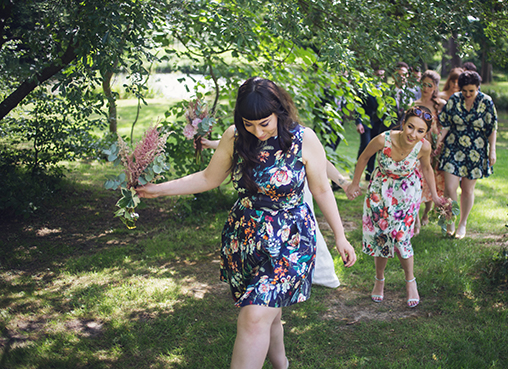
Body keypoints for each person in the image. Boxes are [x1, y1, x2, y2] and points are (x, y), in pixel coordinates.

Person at [138, 77, 357, 369]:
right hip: (245, 239)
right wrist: (158, 189)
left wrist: (340, 236)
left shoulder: (304, 139)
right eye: (249, 124)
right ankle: (282, 364)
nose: (257, 131)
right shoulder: (235, 137)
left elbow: (320, 189)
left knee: (253, 316)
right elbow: (208, 178)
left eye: (264, 123)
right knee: (269, 312)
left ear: (279, 110)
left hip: (290, 242)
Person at [201, 137, 348, 288]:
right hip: (260, 211)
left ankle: (316, 272)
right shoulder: (250, 132)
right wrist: (211, 143)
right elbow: (242, 139)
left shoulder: (300, 137)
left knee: (306, 233)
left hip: (293, 195)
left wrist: (343, 183)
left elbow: (322, 163)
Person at [346, 106, 443, 308]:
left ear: (425, 133)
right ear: (403, 123)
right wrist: (355, 183)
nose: (413, 134)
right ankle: (379, 280)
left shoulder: (423, 147)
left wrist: (434, 195)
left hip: (406, 194)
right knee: (381, 237)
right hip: (379, 192)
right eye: (410, 127)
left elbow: (427, 168)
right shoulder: (383, 139)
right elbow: (364, 158)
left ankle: (410, 281)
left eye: (420, 131)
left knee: (401, 238)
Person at [436, 70, 498, 239]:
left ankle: (463, 224)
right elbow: (446, 124)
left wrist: (492, 150)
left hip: (476, 150)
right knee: (449, 187)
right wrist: (438, 141)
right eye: (464, 91)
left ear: (478, 87)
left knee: (467, 190)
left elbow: (491, 128)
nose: (468, 94)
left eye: (471, 91)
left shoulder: (486, 102)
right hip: (453, 147)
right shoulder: (454, 99)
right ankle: (450, 221)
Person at [414, 70, 447, 227]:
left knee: (431, 181)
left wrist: (440, 143)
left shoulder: (440, 105)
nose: (425, 88)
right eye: (423, 84)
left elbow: (446, 126)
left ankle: (426, 213)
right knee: (418, 180)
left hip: (435, 149)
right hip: (418, 148)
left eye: (429, 85)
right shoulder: (414, 105)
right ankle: (416, 218)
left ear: (435, 87)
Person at [355, 68, 390, 181]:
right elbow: (358, 106)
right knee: (365, 144)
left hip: (378, 123)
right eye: (378, 74)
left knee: (374, 147)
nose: (379, 77)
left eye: (382, 75)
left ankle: (369, 172)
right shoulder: (365, 88)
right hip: (366, 120)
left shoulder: (385, 89)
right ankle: (359, 166)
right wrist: (358, 122)